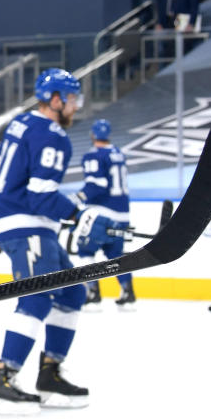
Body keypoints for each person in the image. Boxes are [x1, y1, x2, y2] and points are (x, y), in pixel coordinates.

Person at [0, 68, 121, 414]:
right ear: (56, 100)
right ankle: (4, 380)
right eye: (73, 99)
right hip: (25, 223)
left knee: (73, 291)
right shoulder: (54, 135)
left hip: (27, 221)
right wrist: (78, 215)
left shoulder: (20, 124)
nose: (76, 106)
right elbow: (42, 195)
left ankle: (49, 375)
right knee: (38, 295)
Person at [75, 119, 134, 309]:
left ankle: (93, 292)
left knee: (85, 249)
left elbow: (96, 185)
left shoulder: (93, 156)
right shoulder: (118, 153)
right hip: (122, 214)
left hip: (102, 214)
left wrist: (77, 199)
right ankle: (128, 292)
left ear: (92, 135)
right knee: (116, 255)